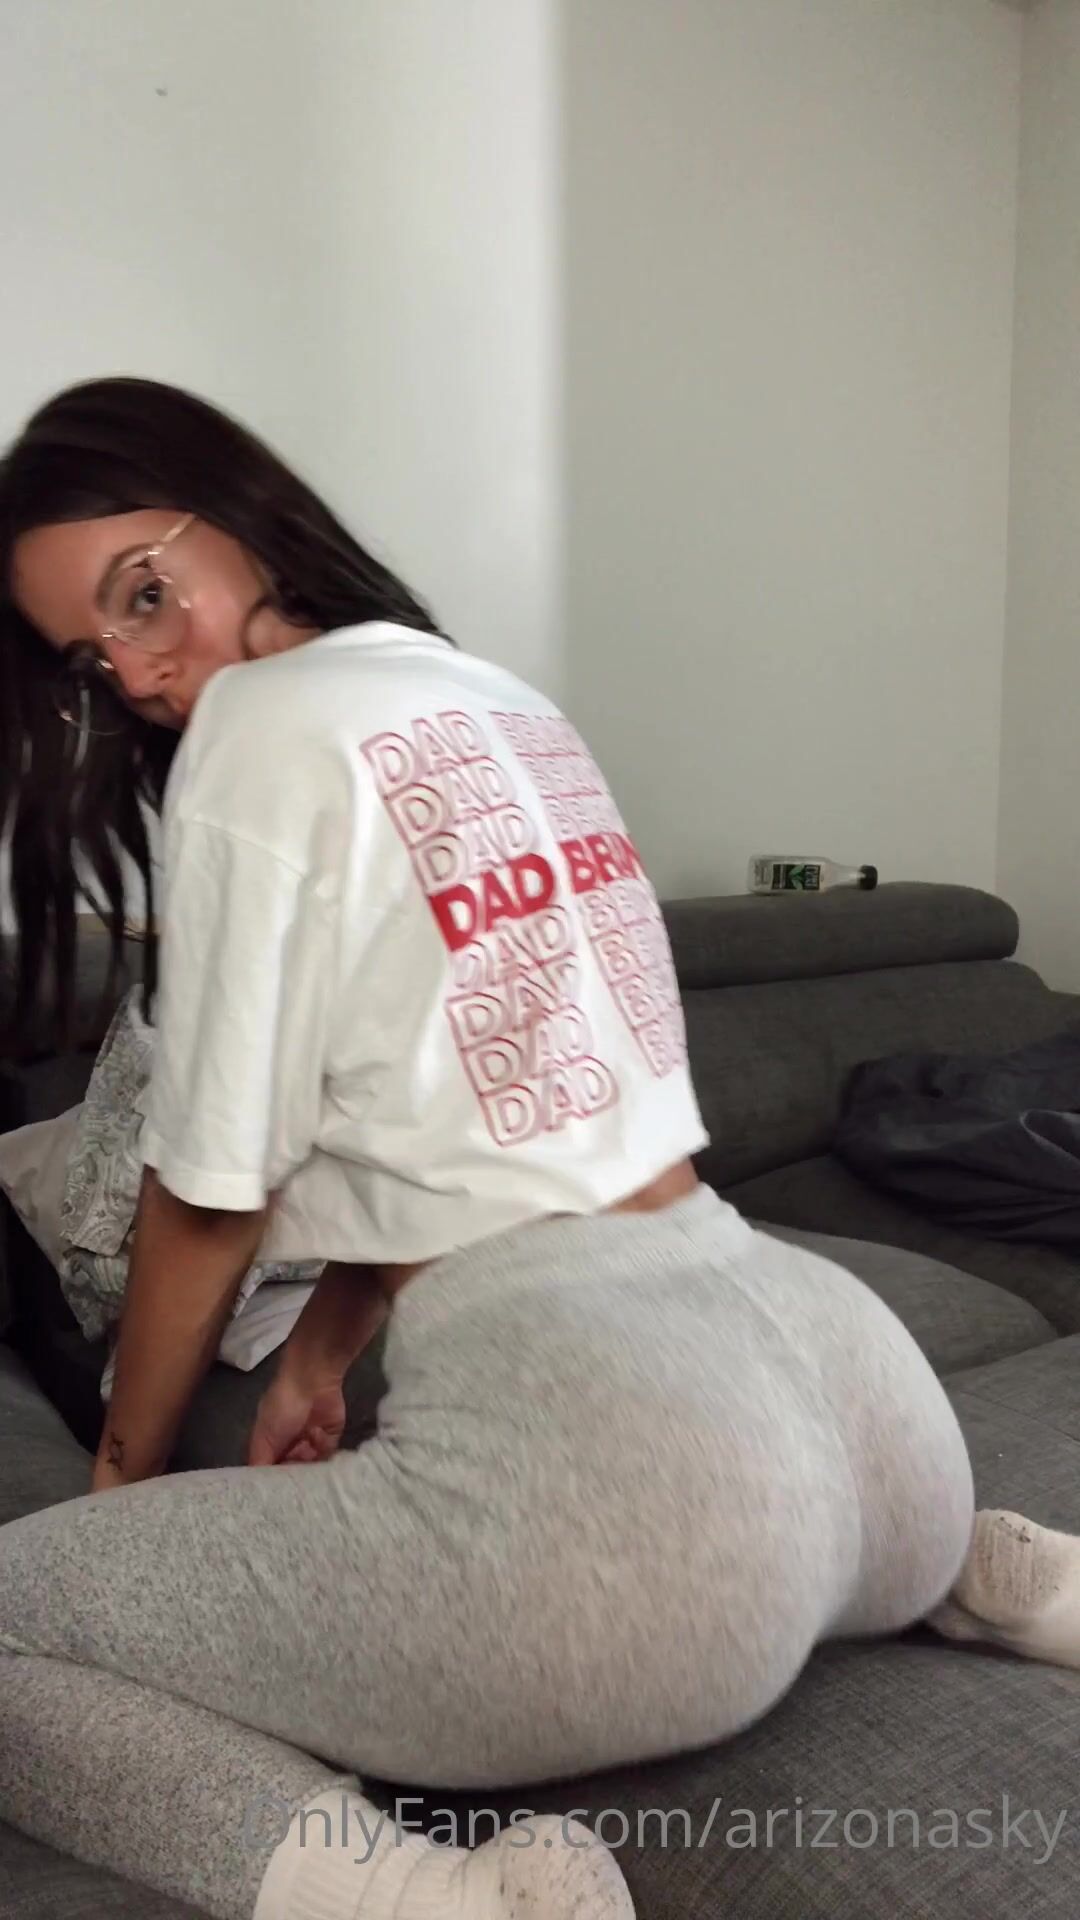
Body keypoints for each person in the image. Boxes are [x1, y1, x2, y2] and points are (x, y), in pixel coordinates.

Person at [0, 378, 1071, 1920]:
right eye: (91, 658)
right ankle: (983, 1574)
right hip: (866, 1404)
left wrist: (125, 1475)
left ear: (238, 513)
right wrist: (323, 1352)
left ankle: (433, 1902)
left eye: (145, 593)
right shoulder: (486, 698)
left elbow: (212, 1190)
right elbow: (478, 1106)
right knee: (831, 1520)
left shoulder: (257, 729)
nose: (141, 668)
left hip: (650, 1490)